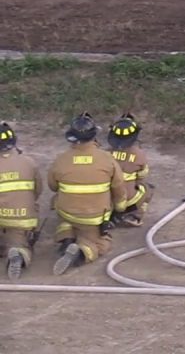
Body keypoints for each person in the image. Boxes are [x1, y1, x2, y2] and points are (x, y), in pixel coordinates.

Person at [47, 114, 126, 275]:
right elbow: (118, 189)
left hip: (67, 213)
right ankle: (81, 252)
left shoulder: (60, 160)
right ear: (93, 136)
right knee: (100, 243)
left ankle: (66, 237)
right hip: (93, 218)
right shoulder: (107, 159)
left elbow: (53, 186)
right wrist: (119, 209)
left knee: (59, 202)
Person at [0, 122, 41, 281]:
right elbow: (38, 191)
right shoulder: (29, 162)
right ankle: (18, 253)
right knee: (20, 244)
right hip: (22, 219)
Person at [107, 115, 152, 227]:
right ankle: (134, 216)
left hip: (106, 199)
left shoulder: (105, 154)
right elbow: (141, 176)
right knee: (149, 189)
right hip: (128, 200)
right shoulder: (139, 154)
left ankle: (112, 215)